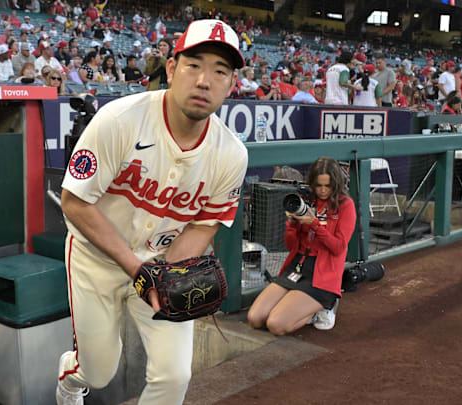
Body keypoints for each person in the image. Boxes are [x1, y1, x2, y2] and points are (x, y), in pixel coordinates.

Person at [56, 19, 247, 405]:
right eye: (194, 65)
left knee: (175, 374)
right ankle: (69, 382)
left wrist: (168, 273)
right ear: (172, 69)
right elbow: (75, 201)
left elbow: (205, 223)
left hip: (162, 265)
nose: (205, 80)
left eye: (220, 71)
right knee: (98, 370)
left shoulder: (231, 154)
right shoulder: (119, 120)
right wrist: (135, 268)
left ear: (230, 85)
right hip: (96, 258)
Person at [247, 157, 356, 334]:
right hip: (297, 267)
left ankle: (322, 307)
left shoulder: (345, 205)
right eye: (318, 185)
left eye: (327, 186)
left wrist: (314, 224)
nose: (322, 190)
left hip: (322, 275)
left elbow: (338, 248)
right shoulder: (307, 200)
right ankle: (301, 306)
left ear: (336, 184)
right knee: (255, 319)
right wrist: (293, 224)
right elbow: (290, 246)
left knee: (276, 324)